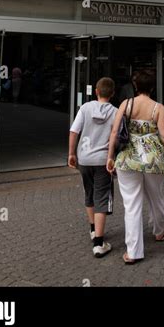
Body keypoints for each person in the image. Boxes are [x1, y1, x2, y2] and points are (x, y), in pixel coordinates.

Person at [107, 71, 164, 264]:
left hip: (128, 159)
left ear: (135, 86)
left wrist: (110, 156)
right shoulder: (158, 108)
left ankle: (134, 251)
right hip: (152, 159)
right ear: (153, 87)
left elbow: (114, 131)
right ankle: (161, 230)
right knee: (156, 195)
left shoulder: (126, 104)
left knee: (131, 205)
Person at [68, 77, 118, 257]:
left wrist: (72, 153)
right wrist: (112, 157)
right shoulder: (116, 112)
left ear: (96, 91)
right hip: (103, 161)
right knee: (102, 197)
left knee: (89, 193)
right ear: (112, 93)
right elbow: (117, 137)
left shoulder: (85, 108)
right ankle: (99, 242)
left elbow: (74, 131)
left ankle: (92, 229)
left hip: (84, 159)